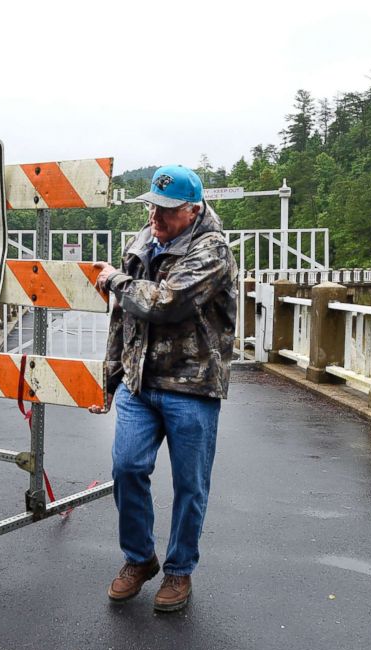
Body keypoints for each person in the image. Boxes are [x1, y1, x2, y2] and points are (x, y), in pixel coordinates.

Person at [89, 165, 237, 612]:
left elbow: (164, 304)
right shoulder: (141, 242)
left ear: (193, 211)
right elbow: (124, 316)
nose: (157, 216)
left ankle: (179, 571)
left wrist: (115, 279)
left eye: (169, 211)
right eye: (154, 205)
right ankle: (139, 559)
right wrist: (111, 377)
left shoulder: (212, 250)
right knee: (127, 467)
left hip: (192, 385)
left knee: (190, 485)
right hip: (140, 382)